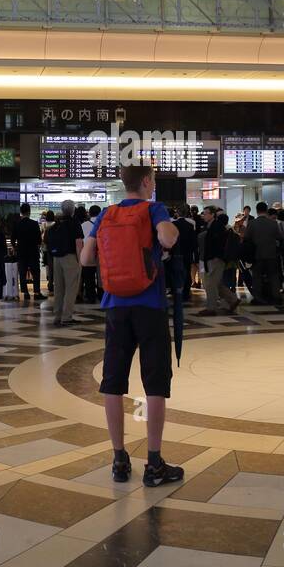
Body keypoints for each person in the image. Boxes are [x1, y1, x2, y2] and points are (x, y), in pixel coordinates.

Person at [79, 164, 184, 488]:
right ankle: (154, 463)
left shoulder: (107, 214)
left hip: (115, 307)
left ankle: (119, 459)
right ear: (147, 182)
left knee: (113, 381)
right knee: (155, 383)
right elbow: (168, 239)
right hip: (149, 305)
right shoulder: (154, 208)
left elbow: (85, 259)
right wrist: (168, 234)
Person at [47, 199, 84, 326]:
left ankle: (57, 316)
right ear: (73, 210)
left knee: (59, 288)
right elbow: (78, 243)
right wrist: (80, 261)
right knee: (71, 288)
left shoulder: (57, 223)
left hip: (57, 258)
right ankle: (67, 316)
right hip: (70, 257)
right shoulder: (74, 222)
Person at [198, 210, 241, 315]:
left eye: (206, 213)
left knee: (210, 284)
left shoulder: (216, 226)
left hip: (215, 259)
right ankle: (233, 300)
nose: (204, 215)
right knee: (217, 283)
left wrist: (213, 257)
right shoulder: (212, 226)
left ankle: (211, 308)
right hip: (214, 258)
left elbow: (214, 244)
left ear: (212, 215)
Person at [247, 202, 282, 305]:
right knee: (273, 275)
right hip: (271, 253)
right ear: (266, 210)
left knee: (257, 276)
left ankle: (258, 297)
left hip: (257, 254)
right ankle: (276, 296)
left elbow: (247, 238)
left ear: (257, 211)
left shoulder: (252, 223)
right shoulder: (273, 223)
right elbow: (279, 237)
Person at [12, 204, 45, 301]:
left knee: (22, 272)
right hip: (33, 252)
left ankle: (25, 293)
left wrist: (16, 247)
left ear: (21, 212)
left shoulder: (17, 224)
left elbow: (13, 239)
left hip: (21, 252)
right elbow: (39, 240)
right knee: (35, 272)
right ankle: (37, 292)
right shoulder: (34, 224)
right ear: (29, 212)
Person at [80, 205, 101, 304]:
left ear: (89, 214)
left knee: (89, 276)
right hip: (102, 254)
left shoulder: (84, 225)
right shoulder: (104, 223)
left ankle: (90, 296)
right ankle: (102, 294)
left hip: (88, 253)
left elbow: (81, 241)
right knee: (101, 276)